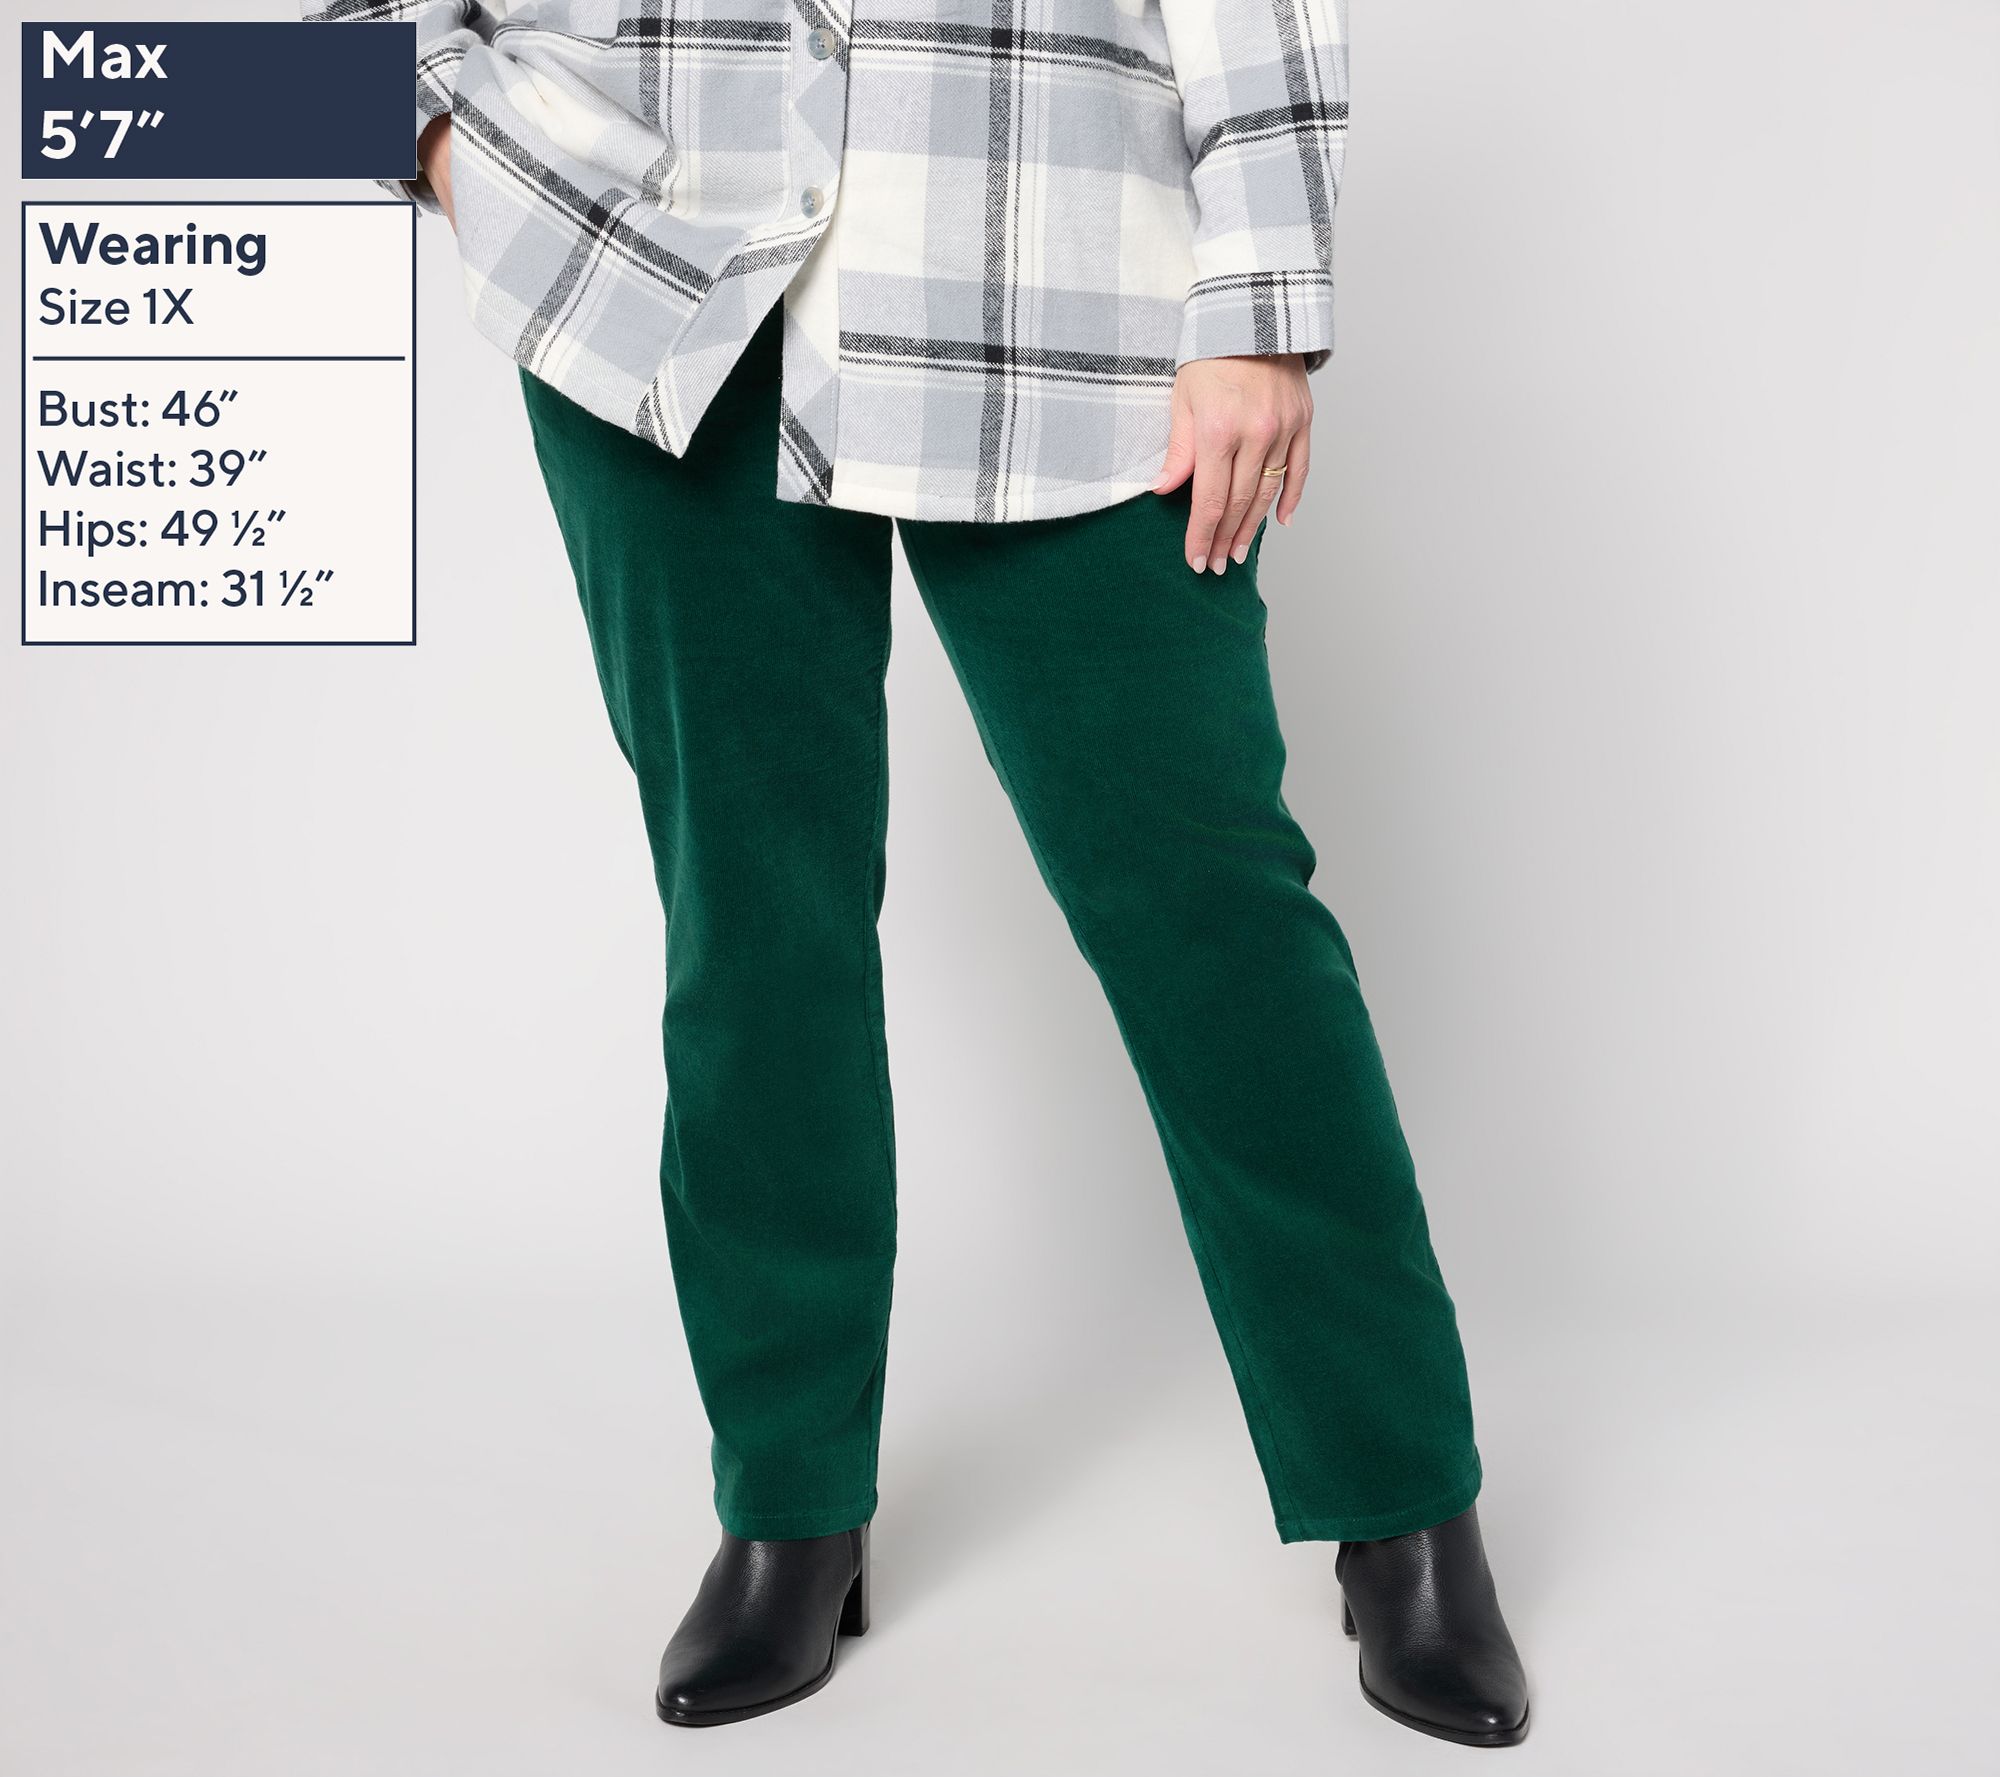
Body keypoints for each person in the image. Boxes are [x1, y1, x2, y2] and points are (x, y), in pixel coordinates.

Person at [308, 0, 1530, 1747]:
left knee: (1209, 909)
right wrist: (443, 141)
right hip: (645, 257)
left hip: (1051, 261)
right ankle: (787, 1501)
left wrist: (1263, 304)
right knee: (748, 919)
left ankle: (1402, 1495)